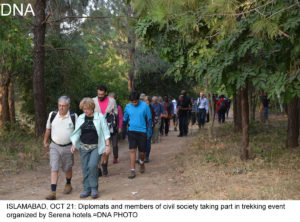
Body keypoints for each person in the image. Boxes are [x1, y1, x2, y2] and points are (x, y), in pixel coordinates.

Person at [70, 98, 110, 199]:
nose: (85, 111)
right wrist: (74, 144)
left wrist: (107, 145)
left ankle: (94, 188)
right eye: (83, 109)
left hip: (96, 146)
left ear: (92, 108)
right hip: (84, 147)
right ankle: (86, 189)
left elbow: (105, 131)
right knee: (85, 167)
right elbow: (77, 132)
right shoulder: (81, 117)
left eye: (87, 109)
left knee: (92, 165)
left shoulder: (99, 117)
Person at [43, 96, 78, 200]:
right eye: (60, 105)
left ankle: (68, 183)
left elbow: (77, 132)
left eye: (64, 106)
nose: (61, 108)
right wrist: (45, 141)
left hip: (68, 146)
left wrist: (74, 144)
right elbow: (48, 129)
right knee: (54, 167)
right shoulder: (52, 115)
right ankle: (53, 192)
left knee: (67, 167)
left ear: (68, 106)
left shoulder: (73, 116)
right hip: (54, 145)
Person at [123, 91, 152, 179]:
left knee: (142, 152)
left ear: (138, 99)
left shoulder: (145, 106)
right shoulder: (128, 107)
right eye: (132, 102)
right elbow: (125, 119)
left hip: (142, 131)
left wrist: (149, 132)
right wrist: (124, 131)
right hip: (132, 131)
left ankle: (142, 163)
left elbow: (149, 119)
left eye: (135, 101)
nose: (134, 103)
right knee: (132, 150)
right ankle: (132, 170)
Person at [93, 85, 118, 176]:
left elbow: (116, 112)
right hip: (96, 128)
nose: (100, 96)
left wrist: (111, 115)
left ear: (106, 93)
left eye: (102, 94)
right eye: (98, 94)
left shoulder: (112, 101)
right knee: (96, 149)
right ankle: (98, 168)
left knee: (106, 149)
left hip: (108, 128)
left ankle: (104, 163)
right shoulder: (93, 101)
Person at [108, 92, 123, 164]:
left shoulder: (118, 107)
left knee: (114, 144)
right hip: (106, 129)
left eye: (113, 98)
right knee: (106, 145)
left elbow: (120, 118)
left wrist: (120, 127)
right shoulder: (105, 107)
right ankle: (105, 159)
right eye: (110, 98)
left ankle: (115, 157)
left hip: (115, 128)